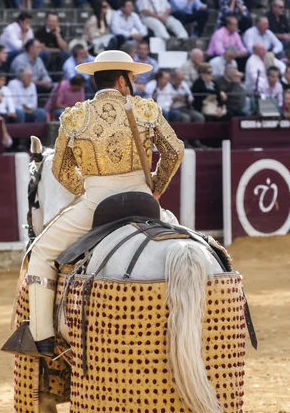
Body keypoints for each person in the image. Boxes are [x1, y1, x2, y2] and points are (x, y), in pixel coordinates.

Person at [18, 50, 184, 357]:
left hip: (96, 203)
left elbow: (59, 169)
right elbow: (174, 152)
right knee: (186, 244)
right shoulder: (146, 109)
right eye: (132, 79)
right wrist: (156, 188)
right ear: (122, 80)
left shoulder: (75, 116)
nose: (133, 85)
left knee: (40, 253)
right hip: (145, 201)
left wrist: (86, 189)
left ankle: (42, 340)